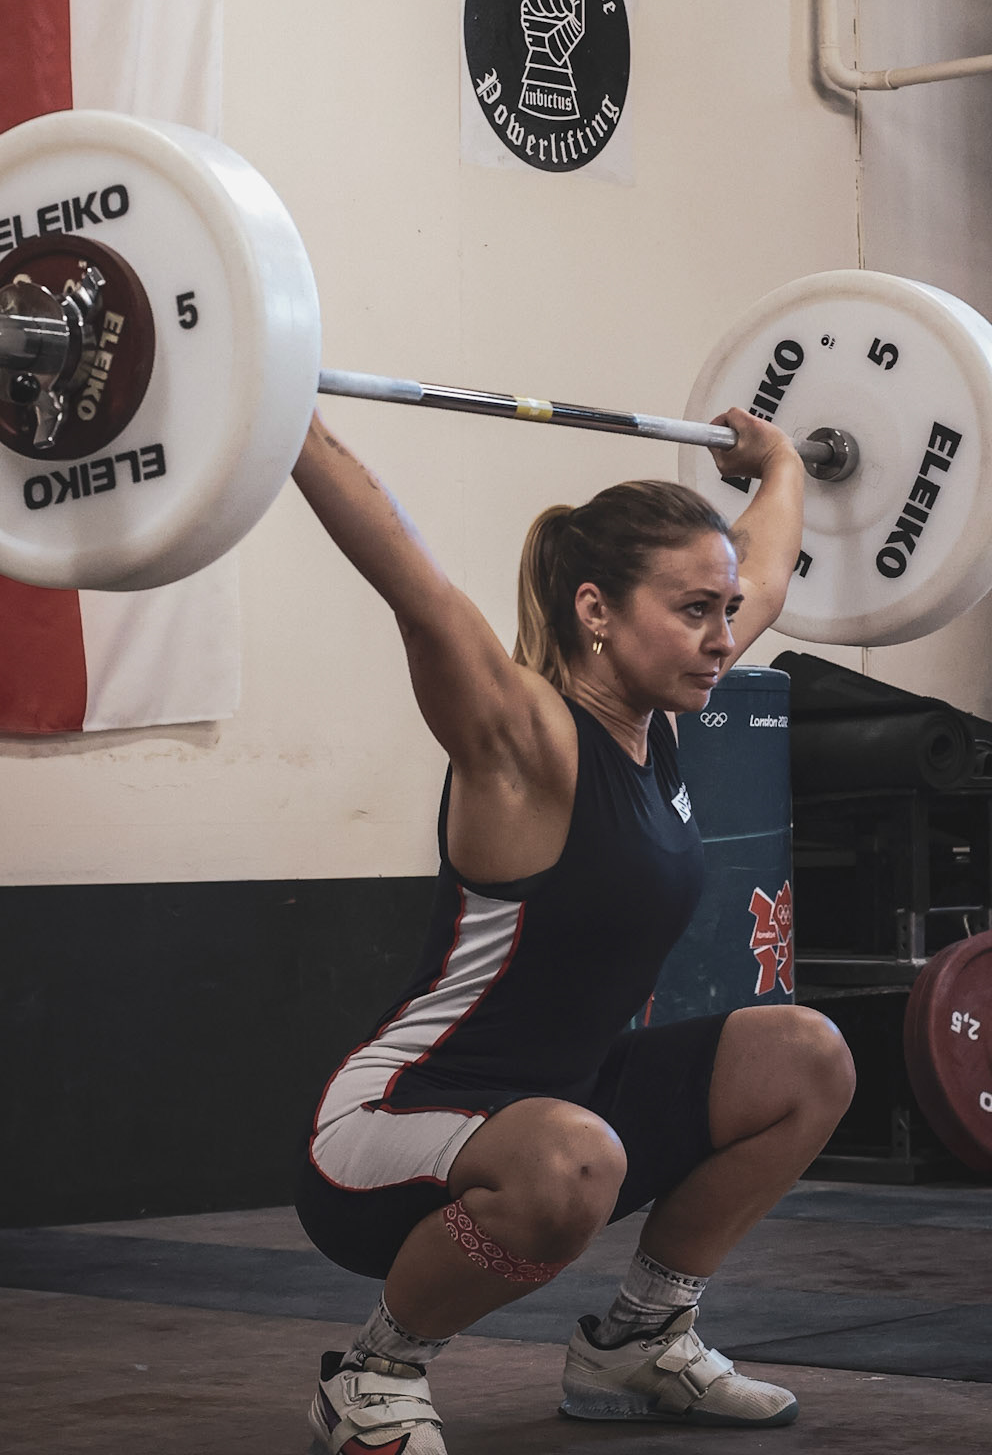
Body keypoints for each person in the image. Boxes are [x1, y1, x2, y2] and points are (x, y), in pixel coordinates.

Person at [291, 406, 856, 1451]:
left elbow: (768, 571)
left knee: (806, 1056)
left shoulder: (661, 715)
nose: (723, 636)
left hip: (567, 1105)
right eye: (694, 609)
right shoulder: (529, 741)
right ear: (595, 606)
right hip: (395, 1121)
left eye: (725, 611)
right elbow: (416, 592)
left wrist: (780, 460)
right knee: (574, 1159)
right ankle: (372, 1375)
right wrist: (280, 413)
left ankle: (639, 1340)